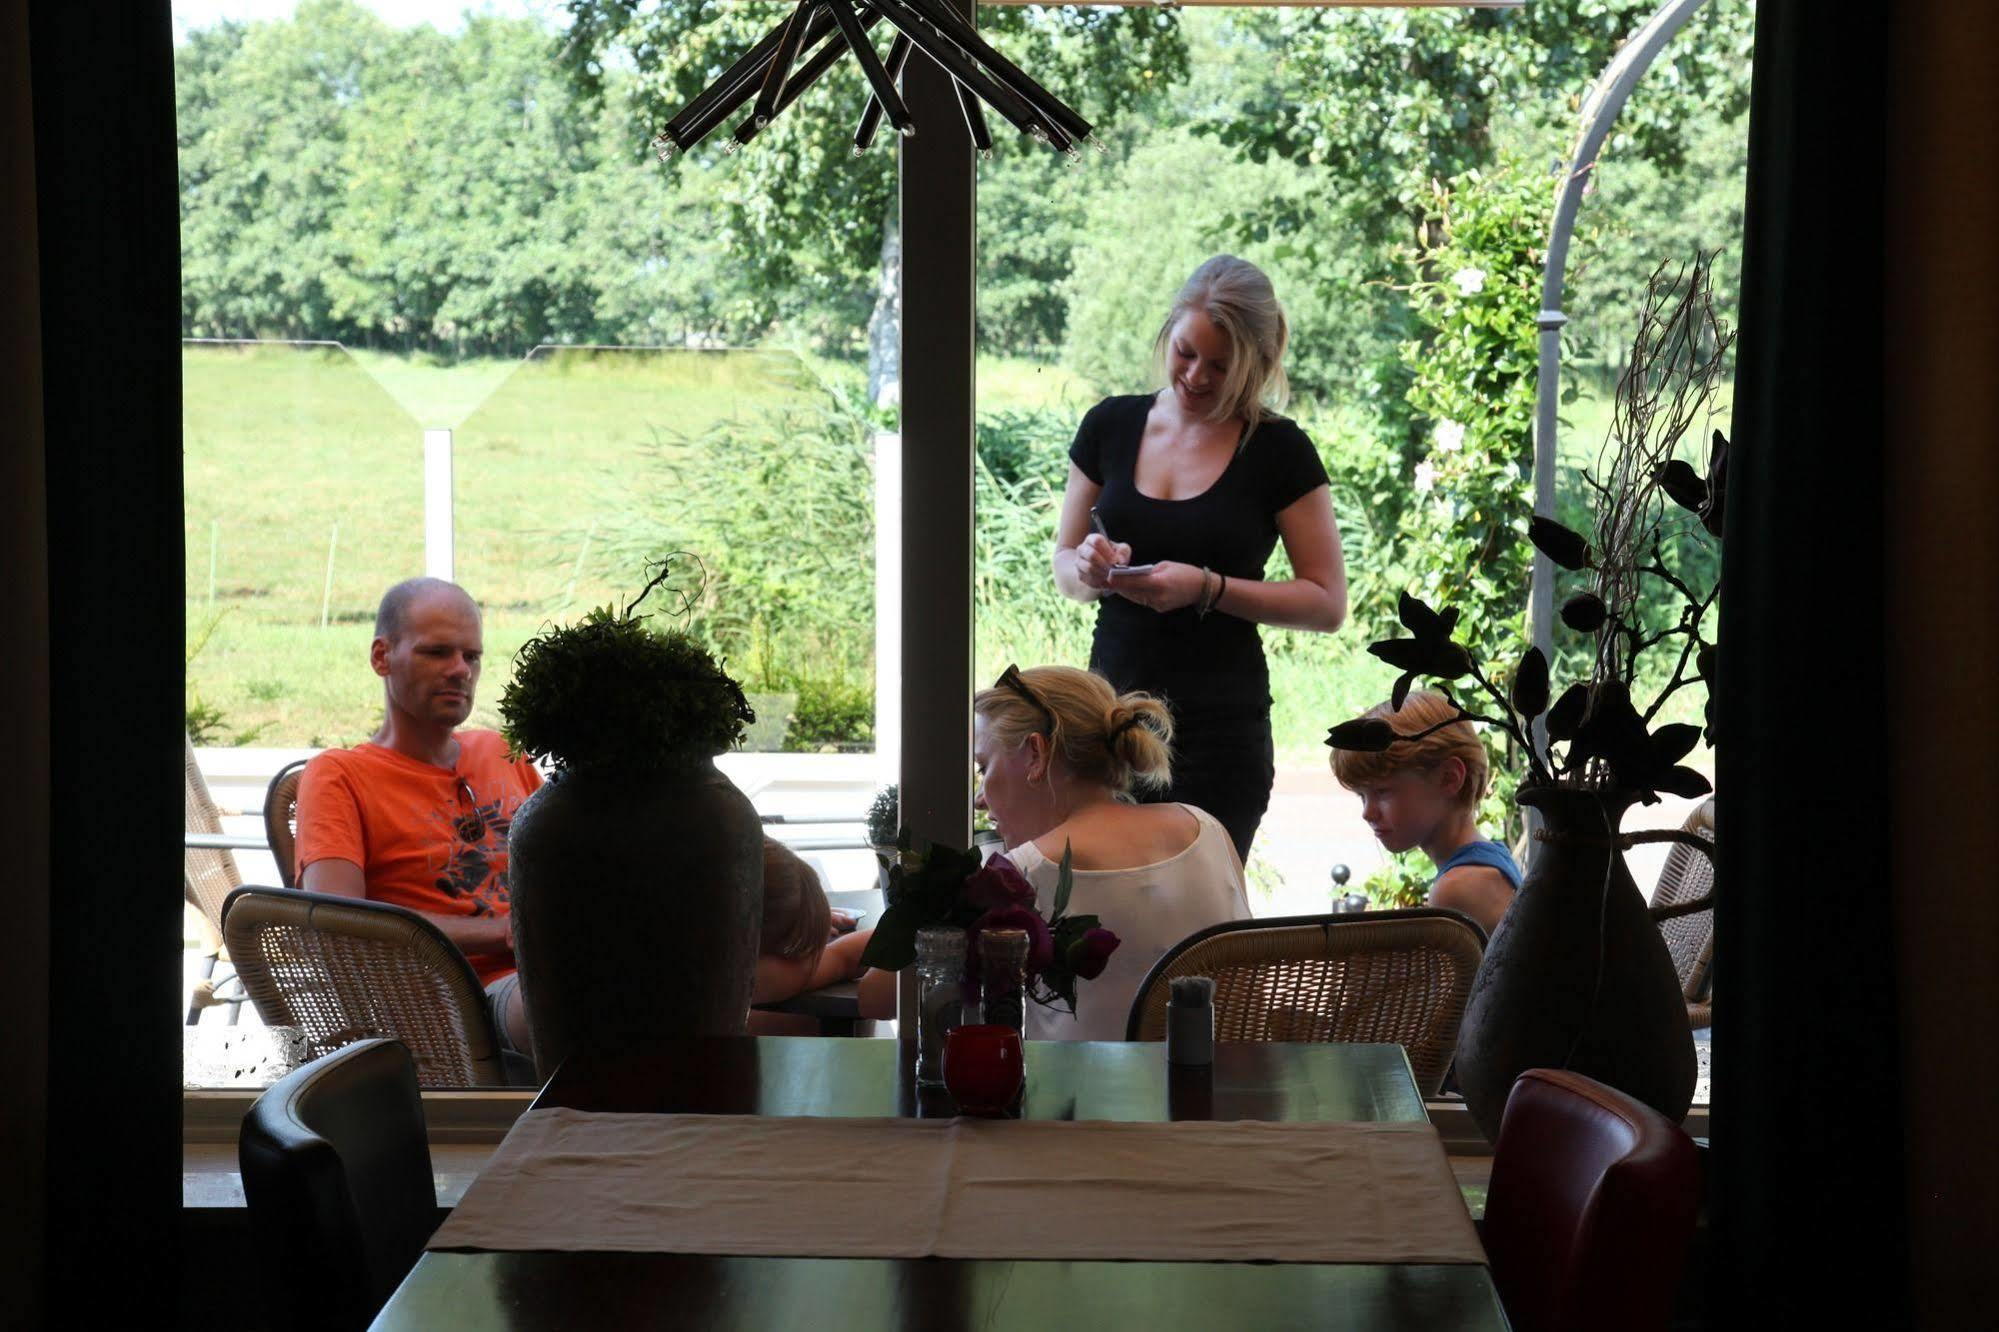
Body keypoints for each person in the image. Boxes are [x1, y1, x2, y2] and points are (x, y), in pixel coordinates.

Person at [1053, 255, 1348, 862]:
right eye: (1185, 352)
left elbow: (1326, 603)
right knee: (1106, 921)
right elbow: (1065, 566)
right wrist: (1087, 567)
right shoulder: (1110, 425)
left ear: (1259, 364)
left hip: (1219, 732)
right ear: (1169, 330)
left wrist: (1208, 588)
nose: (1196, 375)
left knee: (1204, 928)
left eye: (1221, 365)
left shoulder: (1278, 450)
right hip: (1109, 723)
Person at [294, 577, 541, 1059]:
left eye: (471, 656)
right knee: (574, 1002)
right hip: (460, 1000)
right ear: (382, 657)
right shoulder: (340, 775)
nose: (459, 671)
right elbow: (336, 921)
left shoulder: (501, 750)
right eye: (437, 653)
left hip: (551, 966)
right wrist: (507, 933)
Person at [973, 663, 1250, 1041]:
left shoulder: (1025, 872)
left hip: (1084, 1097)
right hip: (1217, 1093)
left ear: (1036, 754)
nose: (979, 798)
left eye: (983, 767)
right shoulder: (1208, 830)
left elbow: (890, 988)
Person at [1328, 690, 1521, 937]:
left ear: (1449, 778)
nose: (1367, 813)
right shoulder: (1489, 858)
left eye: (1383, 791)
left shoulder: (1459, 888)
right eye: (1362, 796)